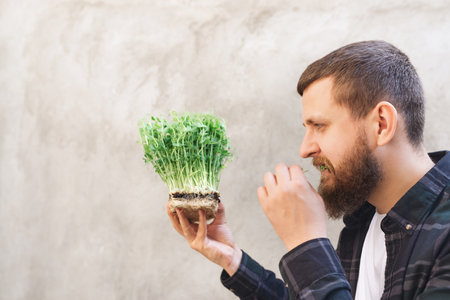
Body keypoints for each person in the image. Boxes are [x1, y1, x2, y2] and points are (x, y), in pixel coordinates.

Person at [167, 40, 450, 299]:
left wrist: (307, 241)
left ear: (381, 125)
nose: (305, 149)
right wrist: (232, 260)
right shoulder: (363, 222)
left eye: (319, 126)